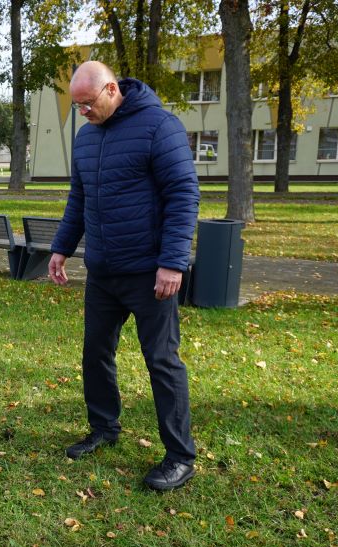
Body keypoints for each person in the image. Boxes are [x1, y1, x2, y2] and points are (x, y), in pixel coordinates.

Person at [48, 61, 200, 491]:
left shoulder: (159, 126)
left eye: (88, 104)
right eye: (76, 106)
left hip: (149, 272)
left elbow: (184, 193)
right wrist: (61, 247)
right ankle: (104, 427)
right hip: (103, 272)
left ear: (112, 89)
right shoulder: (86, 136)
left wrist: (173, 261)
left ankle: (179, 456)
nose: (83, 113)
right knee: (95, 351)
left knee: (162, 361)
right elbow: (79, 198)